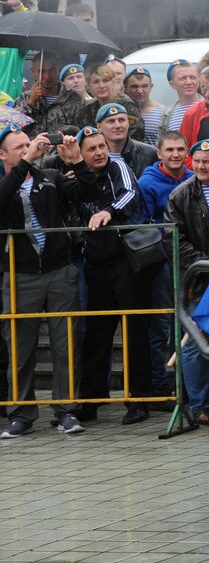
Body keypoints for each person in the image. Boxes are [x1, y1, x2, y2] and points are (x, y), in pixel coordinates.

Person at [0, 128, 84, 437]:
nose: (29, 149)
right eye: (19, 147)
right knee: (20, 349)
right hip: (19, 273)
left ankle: (67, 411)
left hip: (59, 269)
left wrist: (77, 163)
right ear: (3, 155)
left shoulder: (49, 176)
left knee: (66, 345)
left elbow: (84, 195)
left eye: (30, 144)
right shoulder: (6, 182)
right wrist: (26, 161)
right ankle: (20, 414)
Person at [72, 125, 150, 425]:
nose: (99, 152)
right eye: (91, 148)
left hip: (127, 262)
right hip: (94, 263)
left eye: (101, 146)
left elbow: (130, 194)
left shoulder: (119, 166)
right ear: (80, 153)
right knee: (96, 336)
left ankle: (138, 401)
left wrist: (109, 212)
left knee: (135, 334)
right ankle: (92, 401)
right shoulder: (76, 174)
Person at [166, 138, 209, 424]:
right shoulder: (181, 195)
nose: (200, 166)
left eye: (207, 160)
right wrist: (206, 265)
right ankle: (201, 405)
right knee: (194, 343)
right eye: (197, 161)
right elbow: (174, 240)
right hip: (199, 279)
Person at [134, 132, 189, 398]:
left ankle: (186, 383)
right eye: (169, 150)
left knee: (187, 323)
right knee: (161, 325)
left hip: (189, 259)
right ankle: (159, 384)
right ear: (159, 153)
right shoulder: (147, 183)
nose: (175, 154)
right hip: (160, 263)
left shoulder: (193, 177)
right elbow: (142, 222)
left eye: (180, 149)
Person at [21, 53, 97, 135]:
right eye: (41, 72)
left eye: (51, 70)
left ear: (58, 70)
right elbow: (14, 131)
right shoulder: (23, 99)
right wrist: (30, 104)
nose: (47, 77)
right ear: (33, 71)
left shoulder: (75, 99)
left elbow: (87, 133)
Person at [95, 102, 156, 178]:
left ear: (128, 123)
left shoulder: (149, 154)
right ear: (99, 127)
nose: (117, 125)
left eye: (121, 120)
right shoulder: (93, 156)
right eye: (111, 121)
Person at [87, 67, 146, 145]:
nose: (101, 86)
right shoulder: (87, 108)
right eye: (96, 82)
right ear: (88, 85)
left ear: (113, 82)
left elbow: (135, 138)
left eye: (105, 80)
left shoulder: (127, 105)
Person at [123, 67, 165, 140]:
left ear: (151, 87)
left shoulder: (164, 113)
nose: (139, 91)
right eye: (134, 87)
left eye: (144, 86)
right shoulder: (120, 112)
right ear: (125, 88)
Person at [160, 60, 200, 134]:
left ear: (198, 81)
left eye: (193, 77)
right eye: (183, 78)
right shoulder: (167, 114)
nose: (189, 82)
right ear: (172, 84)